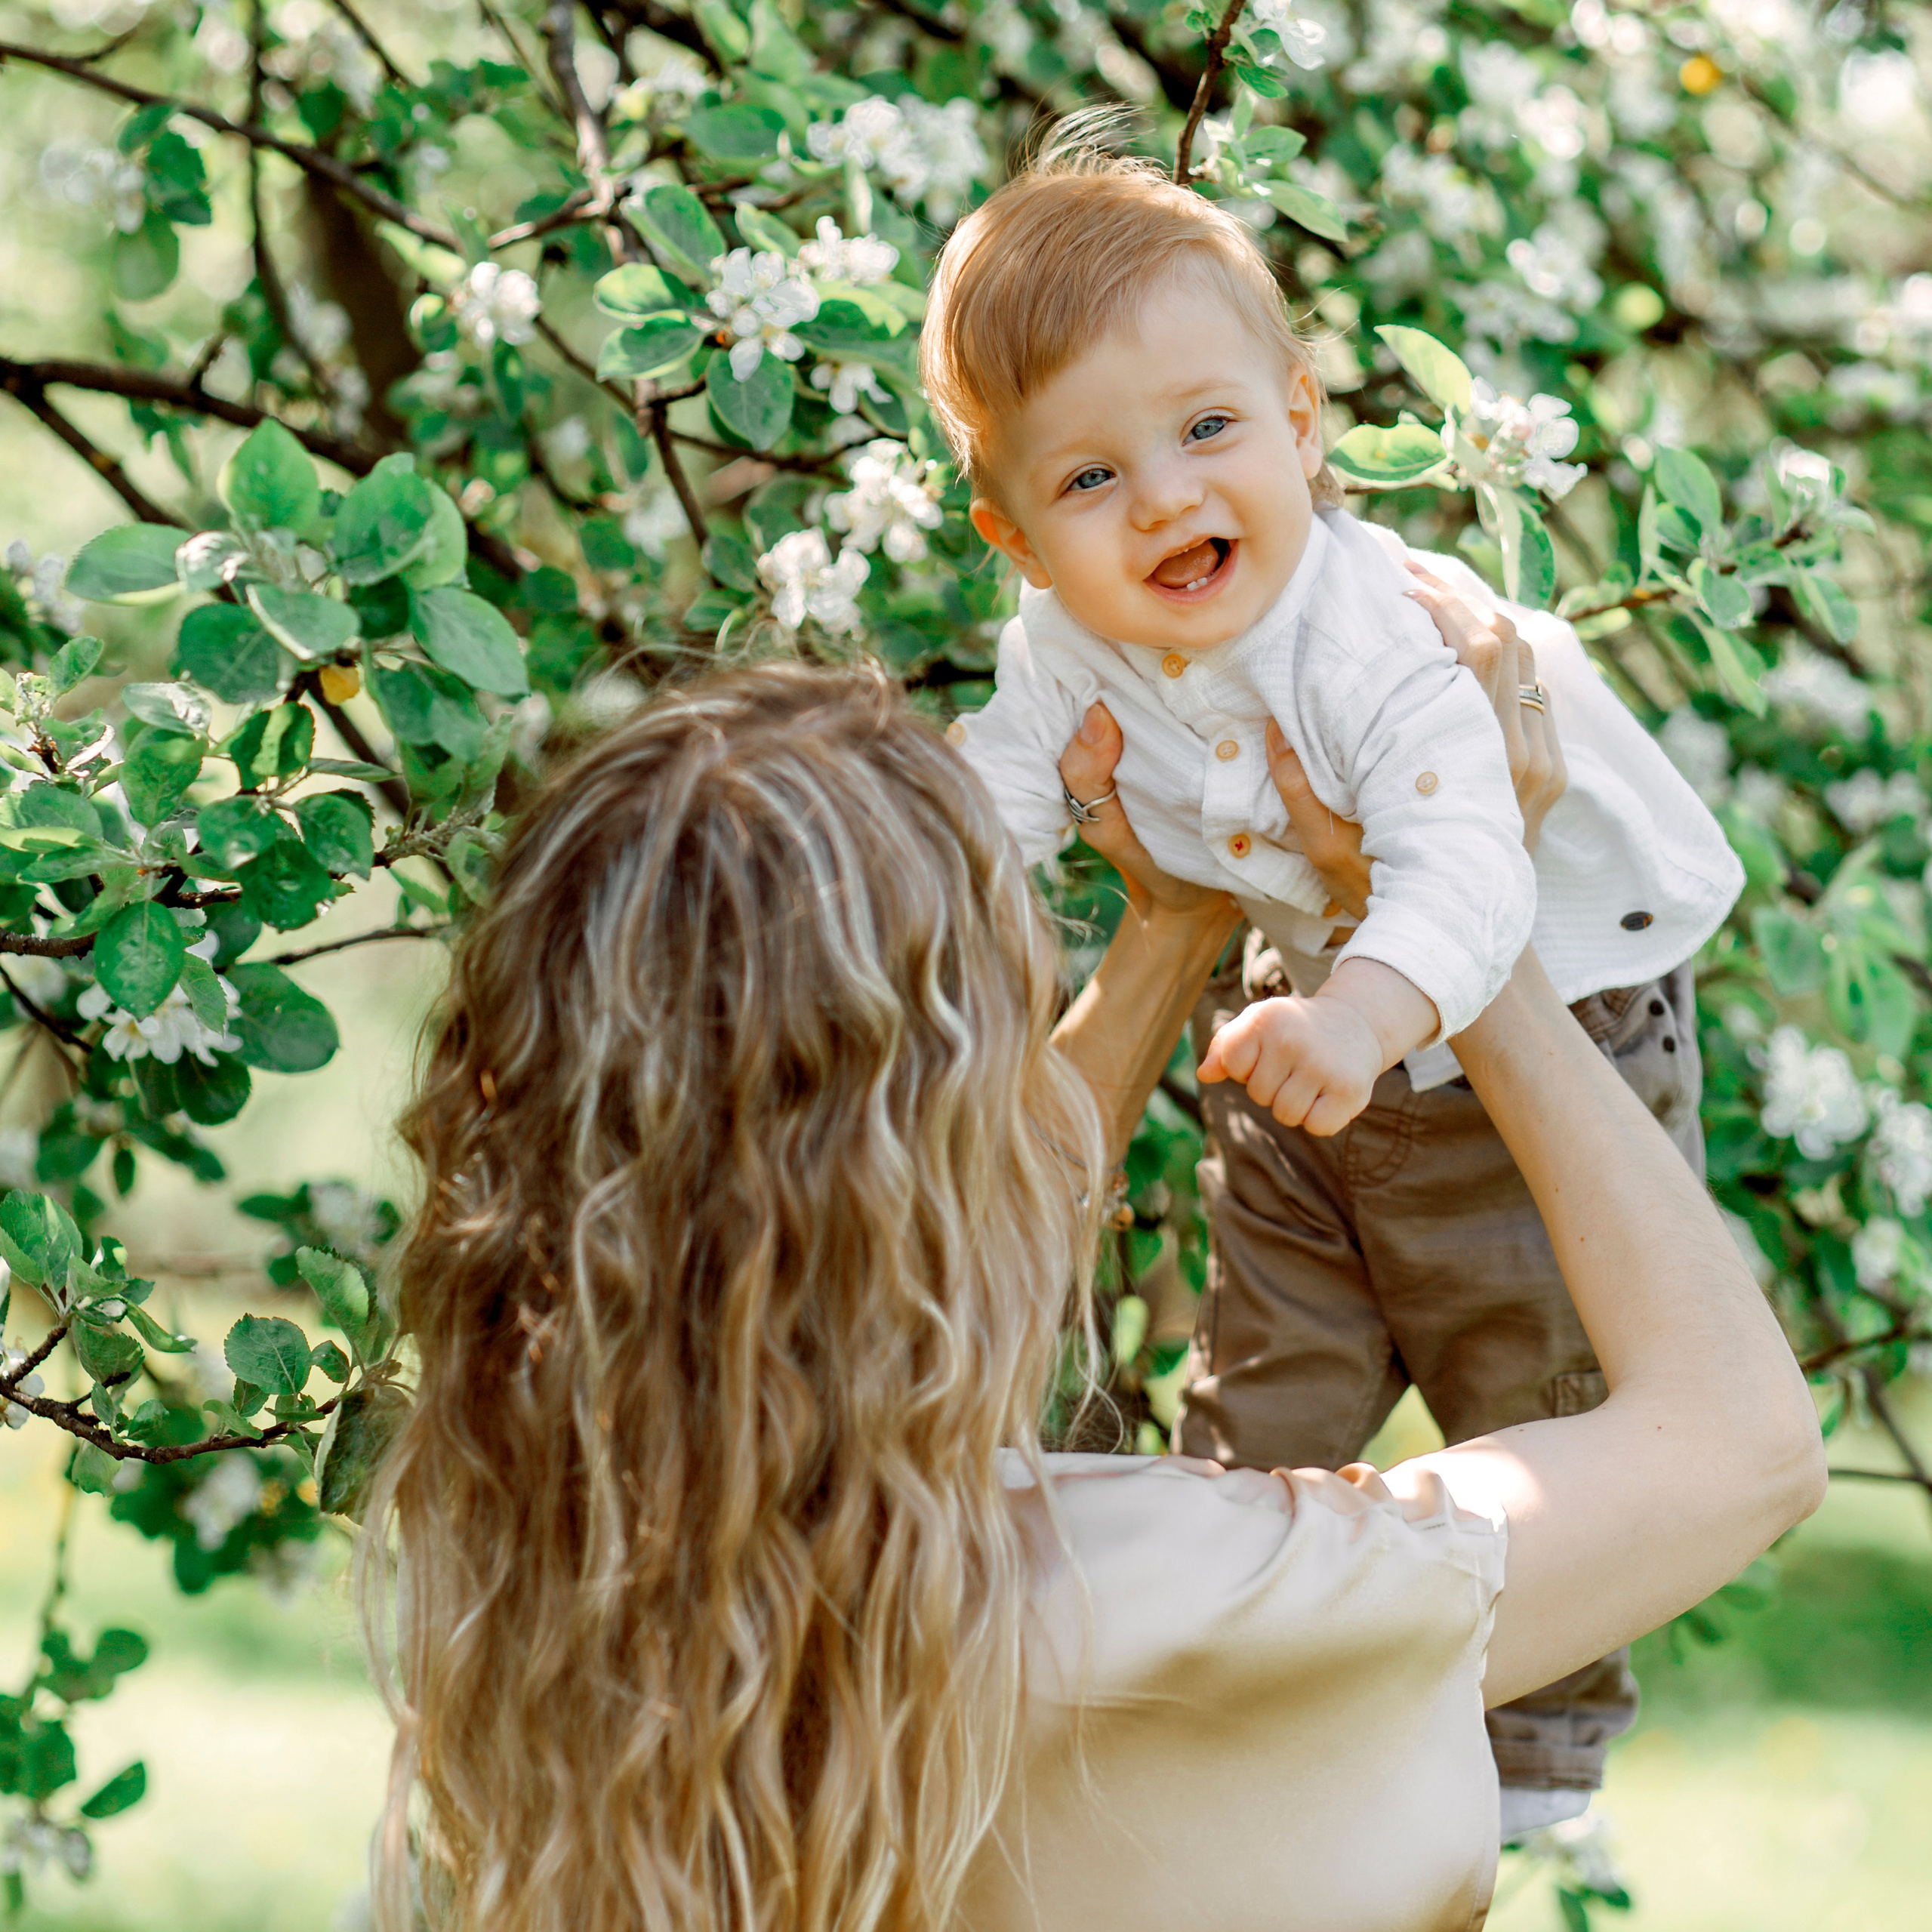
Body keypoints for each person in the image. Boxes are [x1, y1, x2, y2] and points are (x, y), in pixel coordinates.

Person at [362, 655, 1823, 1932]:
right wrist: (1464, 916)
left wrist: (1171, 926)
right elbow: (1738, 1443)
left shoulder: (516, 1568)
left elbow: (862, 1288)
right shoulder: (1168, 1603)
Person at [920, 142, 1744, 1823]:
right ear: (1012, 533)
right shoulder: (1056, 646)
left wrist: (1364, 1015)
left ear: (1301, 423)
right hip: (1303, 1039)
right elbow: (980, 805)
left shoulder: (1382, 635)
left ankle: (1534, 1747)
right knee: (1264, 1369)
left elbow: (1461, 865)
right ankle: (1238, 1640)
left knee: (1543, 1376)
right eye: (1088, 478)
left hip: (1536, 1033)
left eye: (1207, 429)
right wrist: (885, 902)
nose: (1161, 497)